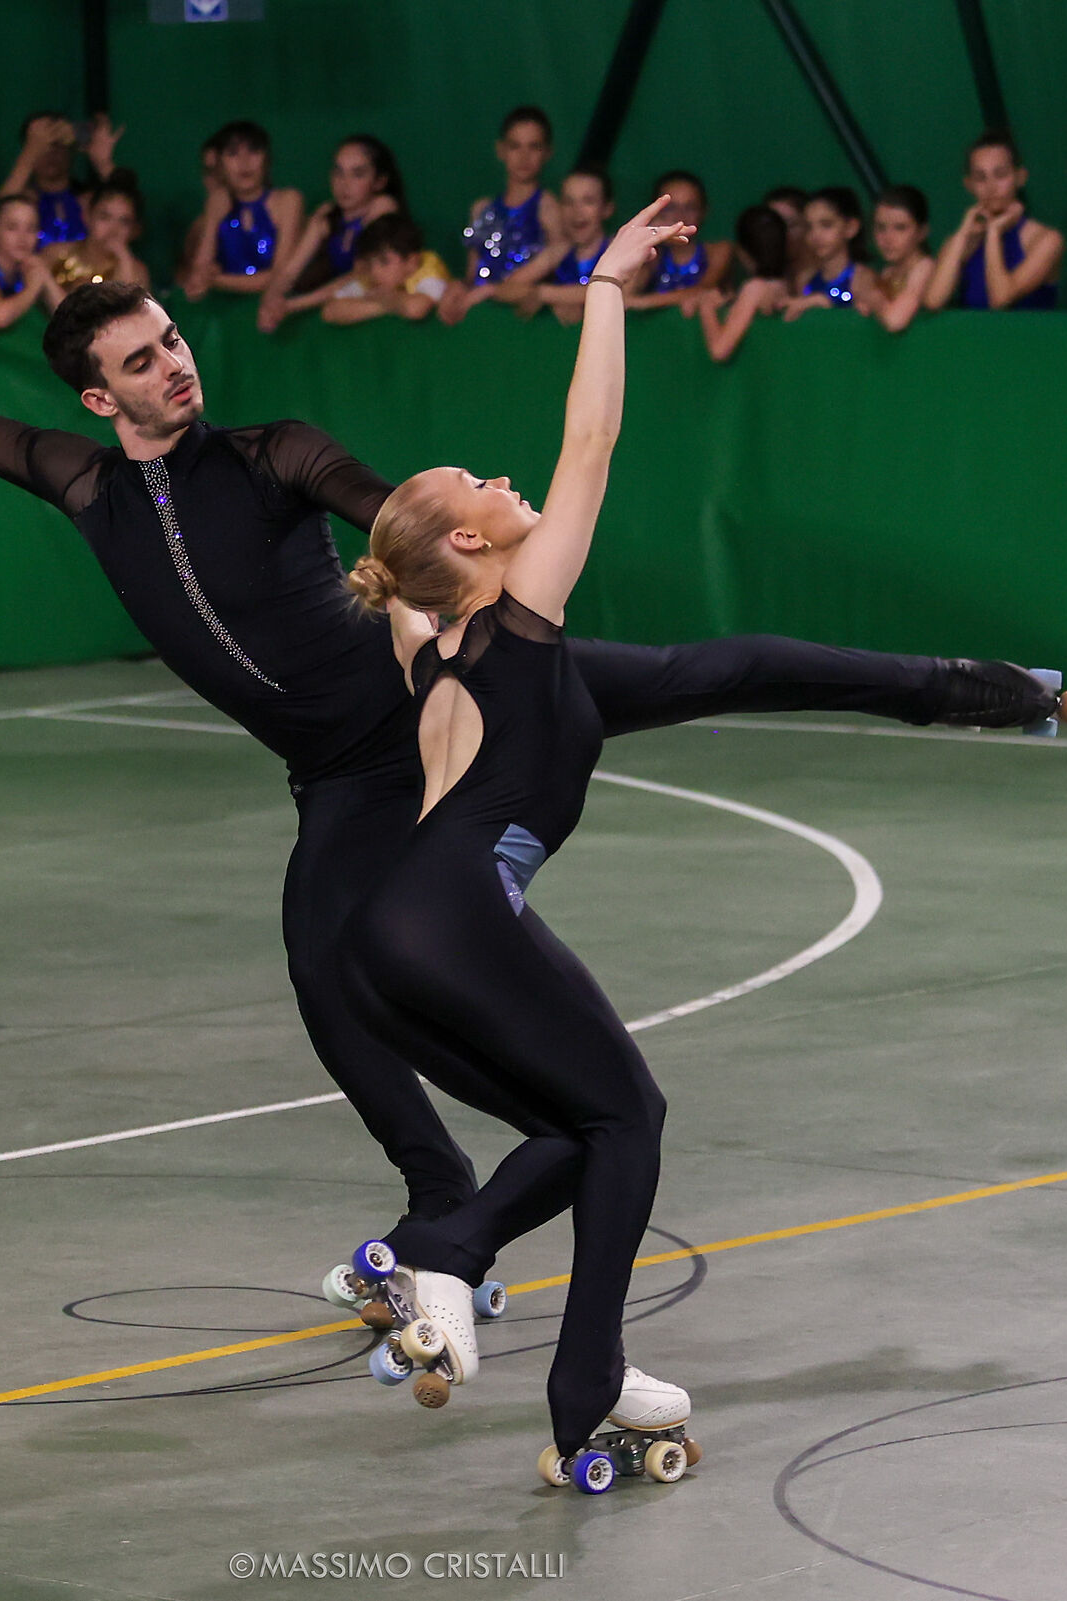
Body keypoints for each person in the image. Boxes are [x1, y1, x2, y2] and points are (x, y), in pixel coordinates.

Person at [0, 279, 1067, 1316]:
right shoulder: (83, 485)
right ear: (96, 400)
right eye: (139, 362)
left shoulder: (269, 451)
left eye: (173, 342)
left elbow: (388, 511)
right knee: (327, 973)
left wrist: (451, 561)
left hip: (437, 702)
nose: (173, 367)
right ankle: (444, 1208)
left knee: (723, 668)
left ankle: (975, 686)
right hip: (341, 778)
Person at [337, 199, 699, 1482]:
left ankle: (457, 1258)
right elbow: (592, 435)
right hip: (456, 914)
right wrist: (606, 279)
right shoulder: (512, 621)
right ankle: (578, 1370)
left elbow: (403, 576)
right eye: (485, 488)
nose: (511, 479)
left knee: (586, 1120)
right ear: (476, 549)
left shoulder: (429, 641)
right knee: (632, 1114)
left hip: (387, 939)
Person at [260, 135, 405, 334]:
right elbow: (288, 271)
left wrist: (293, 305)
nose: (344, 184)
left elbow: (361, 276)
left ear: (379, 182)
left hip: (375, 310)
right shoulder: (326, 214)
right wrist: (270, 301)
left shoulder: (383, 207)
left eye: (357, 174)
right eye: (338, 173)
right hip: (337, 301)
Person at [439, 107, 563, 325]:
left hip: (522, 316)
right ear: (501, 150)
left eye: (534, 147)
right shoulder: (482, 208)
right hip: (478, 311)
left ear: (548, 152)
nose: (524, 157)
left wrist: (496, 290)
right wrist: (458, 287)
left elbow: (559, 270)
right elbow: (473, 273)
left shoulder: (548, 207)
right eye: (515, 146)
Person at [925, 131, 1062, 312]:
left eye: (1001, 175)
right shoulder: (962, 241)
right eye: (981, 177)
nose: (991, 187)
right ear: (969, 185)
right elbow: (933, 302)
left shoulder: (1047, 240)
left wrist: (993, 232)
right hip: (974, 340)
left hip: (1031, 340)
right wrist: (963, 234)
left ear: (1020, 177)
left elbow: (1000, 300)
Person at [179, 122, 303, 301]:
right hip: (224, 315)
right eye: (233, 153)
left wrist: (215, 280)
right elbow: (195, 284)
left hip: (271, 313)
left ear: (267, 158)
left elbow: (280, 277)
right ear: (220, 164)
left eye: (253, 151)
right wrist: (213, 218)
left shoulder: (288, 201)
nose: (244, 163)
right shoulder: (213, 210)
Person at [0, 110, 124, 249]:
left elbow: (130, 215)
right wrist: (29, 156)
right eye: (42, 145)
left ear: (72, 147)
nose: (51, 151)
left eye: (58, 143)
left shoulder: (88, 201)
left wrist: (103, 163)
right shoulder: (21, 201)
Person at [694, 205, 792, 361]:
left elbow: (719, 350)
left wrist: (706, 308)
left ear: (742, 251)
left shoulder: (755, 288)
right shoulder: (783, 284)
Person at [522, 167, 617, 326]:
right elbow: (509, 287)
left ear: (607, 209)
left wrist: (545, 294)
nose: (576, 212)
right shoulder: (559, 252)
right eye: (568, 202)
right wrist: (488, 290)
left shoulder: (617, 251)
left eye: (588, 201)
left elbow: (621, 293)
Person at [625, 172, 728, 310]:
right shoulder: (653, 255)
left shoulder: (718, 250)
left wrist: (642, 302)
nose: (680, 216)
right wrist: (649, 236)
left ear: (704, 211)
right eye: (670, 208)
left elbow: (705, 288)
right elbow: (626, 293)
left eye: (690, 207)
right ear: (654, 211)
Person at [322, 215, 449, 324]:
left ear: (411, 262)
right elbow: (330, 311)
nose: (375, 271)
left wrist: (387, 299)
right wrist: (383, 305)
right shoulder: (371, 278)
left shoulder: (428, 271)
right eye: (370, 264)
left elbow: (415, 309)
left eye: (384, 262)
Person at [44, 178, 152, 294]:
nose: (113, 230)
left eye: (124, 221)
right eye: (104, 217)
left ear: (134, 230)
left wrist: (124, 259)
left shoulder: (137, 271)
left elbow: (128, 308)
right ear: (87, 216)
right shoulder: (54, 254)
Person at [0, 195, 56, 330]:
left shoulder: (33, 267)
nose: (23, 237)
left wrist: (46, 278)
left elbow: (71, 321)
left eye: (31, 229)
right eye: (12, 227)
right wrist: (33, 286)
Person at [783, 185, 863, 318]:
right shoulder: (805, 279)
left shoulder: (861, 277)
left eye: (826, 225)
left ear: (851, 228)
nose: (815, 235)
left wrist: (823, 301)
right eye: (809, 227)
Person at [865, 185, 935, 334]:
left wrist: (872, 297)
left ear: (922, 232)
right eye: (881, 227)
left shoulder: (924, 268)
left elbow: (895, 322)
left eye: (900, 228)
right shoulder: (888, 272)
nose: (887, 238)